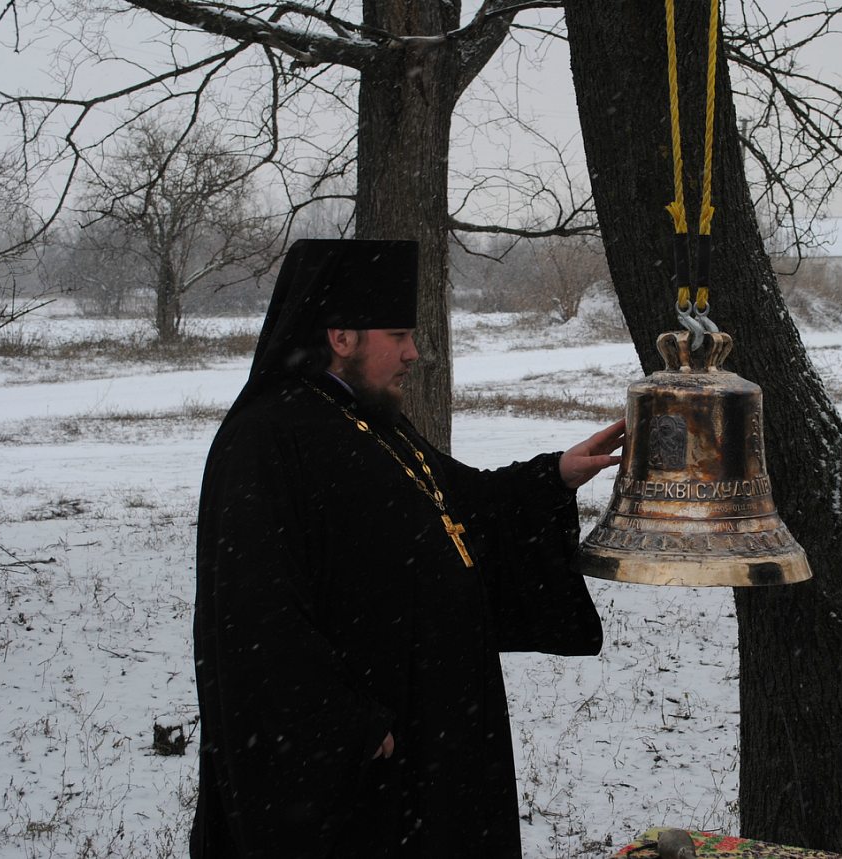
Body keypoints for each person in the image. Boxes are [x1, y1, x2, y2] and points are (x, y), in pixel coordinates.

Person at [190, 238, 624, 858]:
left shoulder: (370, 422)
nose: (414, 353)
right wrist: (344, 724)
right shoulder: (267, 441)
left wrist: (552, 475)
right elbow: (253, 611)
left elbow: (457, 504)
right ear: (341, 336)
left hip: (435, 729)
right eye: (398, 334)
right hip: (367, 759)